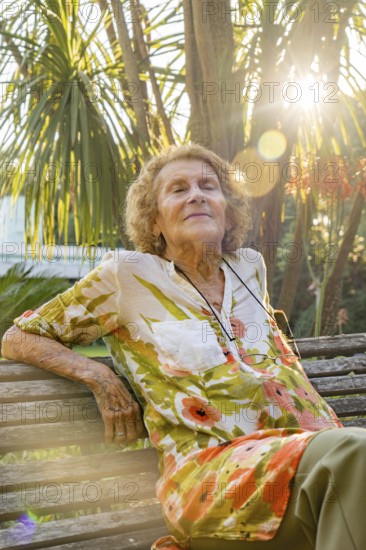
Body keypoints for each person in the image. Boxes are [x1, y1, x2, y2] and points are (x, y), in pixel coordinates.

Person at [2, 144, 366, 550]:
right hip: (214, 480)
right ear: (154, 220)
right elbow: (19, 337)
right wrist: (98, 374)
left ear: (227, 211)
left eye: (208, 186)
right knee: (355, 453)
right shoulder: (127, 276)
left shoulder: (249, 268)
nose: (196, 194)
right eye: (178, 189)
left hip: (305, 465)